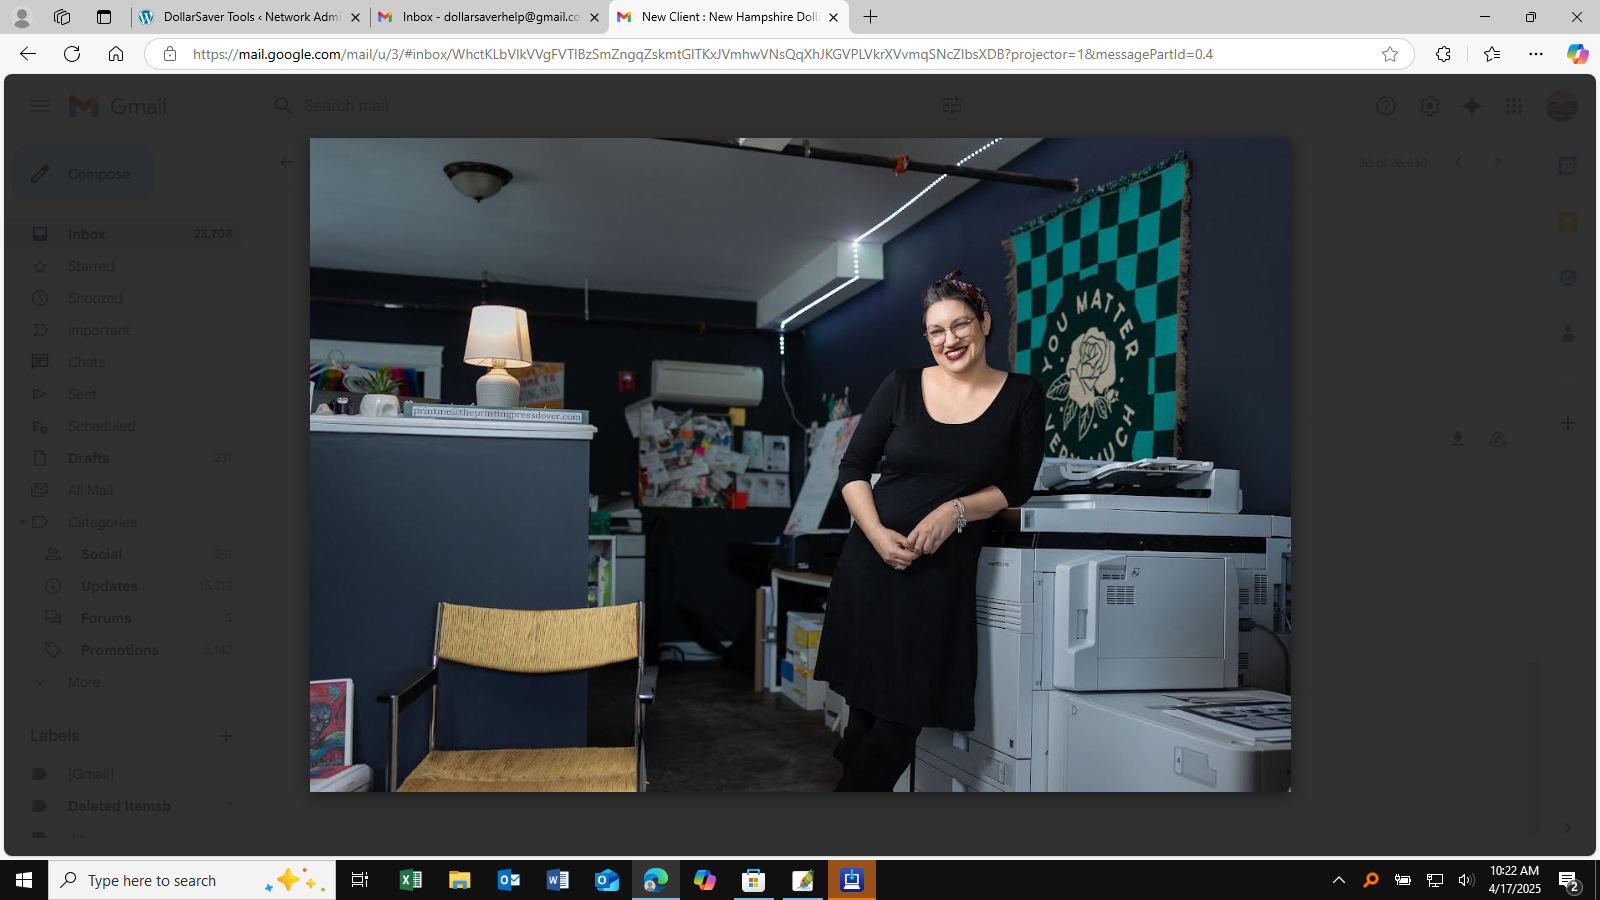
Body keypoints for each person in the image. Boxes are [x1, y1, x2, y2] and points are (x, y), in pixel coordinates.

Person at [814, 269, 1045, 791]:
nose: (949, 340)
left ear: (984, 323)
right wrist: (876, 534)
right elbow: (853, 469)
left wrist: (955, 511)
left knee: (901, 718)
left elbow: (1017, 485)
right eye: (936, 331)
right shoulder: (901, 385)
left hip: (939, 578)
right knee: (866, 710)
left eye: (960, 325)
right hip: (873, 566)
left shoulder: (1022, 395)